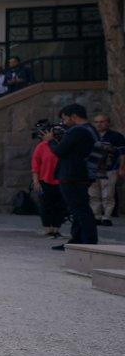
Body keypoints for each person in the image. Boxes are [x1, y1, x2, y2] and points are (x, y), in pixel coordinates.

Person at [51, 103, 99, 248]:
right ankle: (77, 241)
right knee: (77, 208)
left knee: (80, 209)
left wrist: (50, 141)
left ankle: (89, 241)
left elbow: (60, 151)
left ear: (74, 117)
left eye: (65, 119)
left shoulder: (78, 131)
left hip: (73, 175)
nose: (64, 123)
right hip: (81, 174)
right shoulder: (90, 130)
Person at [32, 125, 66, 239]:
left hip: (61, 180)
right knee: (45, 205)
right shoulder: (41, 146)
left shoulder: (63, 146)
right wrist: (36, 181)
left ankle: (56, 229)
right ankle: (48, 229)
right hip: (44, 180)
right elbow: (35, 164)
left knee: (60, 205)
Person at [90, 114, 124, 225]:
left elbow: (122, 154)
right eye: (96, 122)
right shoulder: (91, 136)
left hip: (110, 169)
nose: (99, 124)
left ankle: (107, 217)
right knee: (94, 194)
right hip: (93, 169)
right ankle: (96, 215)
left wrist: (121, 168)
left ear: (108, 123)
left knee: (108, 194)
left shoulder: (116, 136)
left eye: (102, 122)